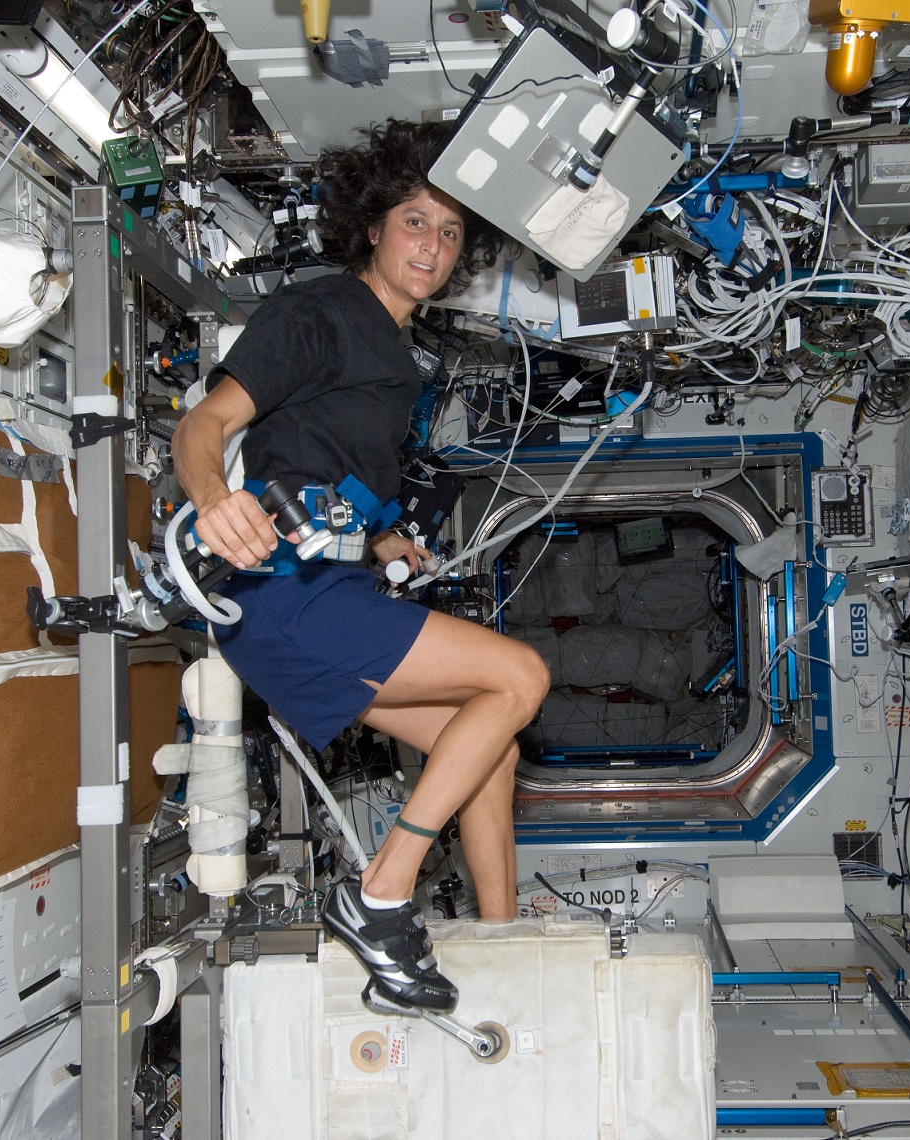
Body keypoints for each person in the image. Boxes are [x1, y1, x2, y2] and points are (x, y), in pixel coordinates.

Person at [170, 120, 550, 1014]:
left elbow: (329, 473)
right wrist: (214, 499)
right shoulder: (319, 313)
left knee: (490, 748)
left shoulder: (398, 358)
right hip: (282, 595)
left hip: (327, 585)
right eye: (416, 221)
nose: (434, 246)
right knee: (520, 677)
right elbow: (204, 426)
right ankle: (380, 894)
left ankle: (503, 944)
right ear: (373, 228)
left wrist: (382, 540)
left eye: (452, 232)